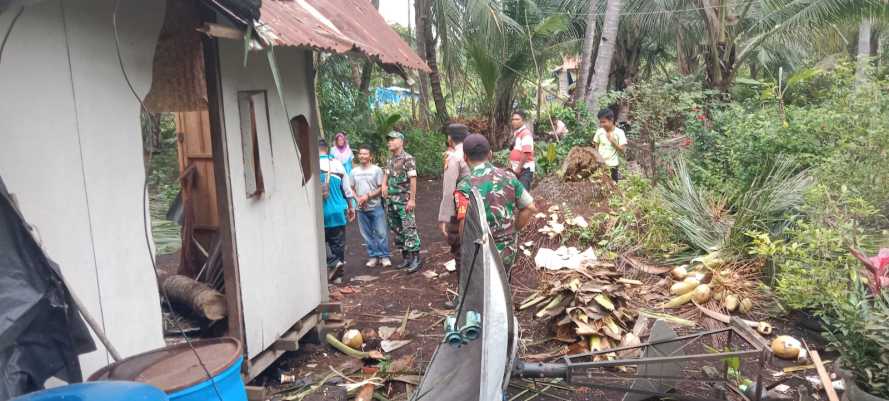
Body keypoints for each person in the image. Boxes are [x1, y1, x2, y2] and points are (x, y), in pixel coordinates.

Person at [455, 134, 538, 272]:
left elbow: (463, 222)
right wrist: (513, 229)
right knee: (504, 286)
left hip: (480, 251)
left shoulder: (464, 186)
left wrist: (465, 247)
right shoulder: (509, 177)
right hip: (507, 251)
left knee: (482, 289)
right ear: (490, 154)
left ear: (465, 157)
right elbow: (530, 207)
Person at [382, 131, 422, 272]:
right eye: (388, 140)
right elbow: (386, 174)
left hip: (404, 201)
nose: (389, 142)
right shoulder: (390, 159)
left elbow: (413, 180)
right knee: (397, 229)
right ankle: (406, 258)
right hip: (391, 201)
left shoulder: (408, 159)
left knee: (409, 228)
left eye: (392, 139)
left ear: (401, 141)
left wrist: (412, 199)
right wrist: (383, 185)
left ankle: (416, 258)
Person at [350, 145, 392, 268]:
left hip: (376, 206)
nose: (363, 156)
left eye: (365, 154)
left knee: (381, 232)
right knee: (366, 234)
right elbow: (351, 188)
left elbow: (381, 188)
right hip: (361, 208)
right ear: (358, 156)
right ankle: (373, 256)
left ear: (370, 156)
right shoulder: (354, 172)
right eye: (361, 154)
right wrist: (357, 198)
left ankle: (384, 256)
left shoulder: (377, 170)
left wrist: (367, 196)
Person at [319, 139, 356, 271]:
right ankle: (338, 277)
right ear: (327, 149)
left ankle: (332, 264)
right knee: (338, 244)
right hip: (338, 210)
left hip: (320, 213)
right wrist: (351, 207)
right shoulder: (337, 164)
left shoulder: (308, 165)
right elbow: (347, 190)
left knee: (319, 242)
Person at [593, 108, 627, 182]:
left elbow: (623, 150)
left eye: (604, 122)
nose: (602, 125)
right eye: (600, 122)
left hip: (612, 167)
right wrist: (597, 161)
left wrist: (613, 141)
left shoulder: (620, 133)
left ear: (611, 120)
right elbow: (596, 148)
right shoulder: (599, 131)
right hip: (600, 166)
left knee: (613, 190)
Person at [508, 110, 535, 191]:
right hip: (516, 169)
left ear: (522, 121)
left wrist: (519, 168)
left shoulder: (526, 134)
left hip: (524, 169)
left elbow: (526, 153)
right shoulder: (517, 133)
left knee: (523, 194)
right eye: (513, 119)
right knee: (516, 193)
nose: (514, 121)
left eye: (517, 119)